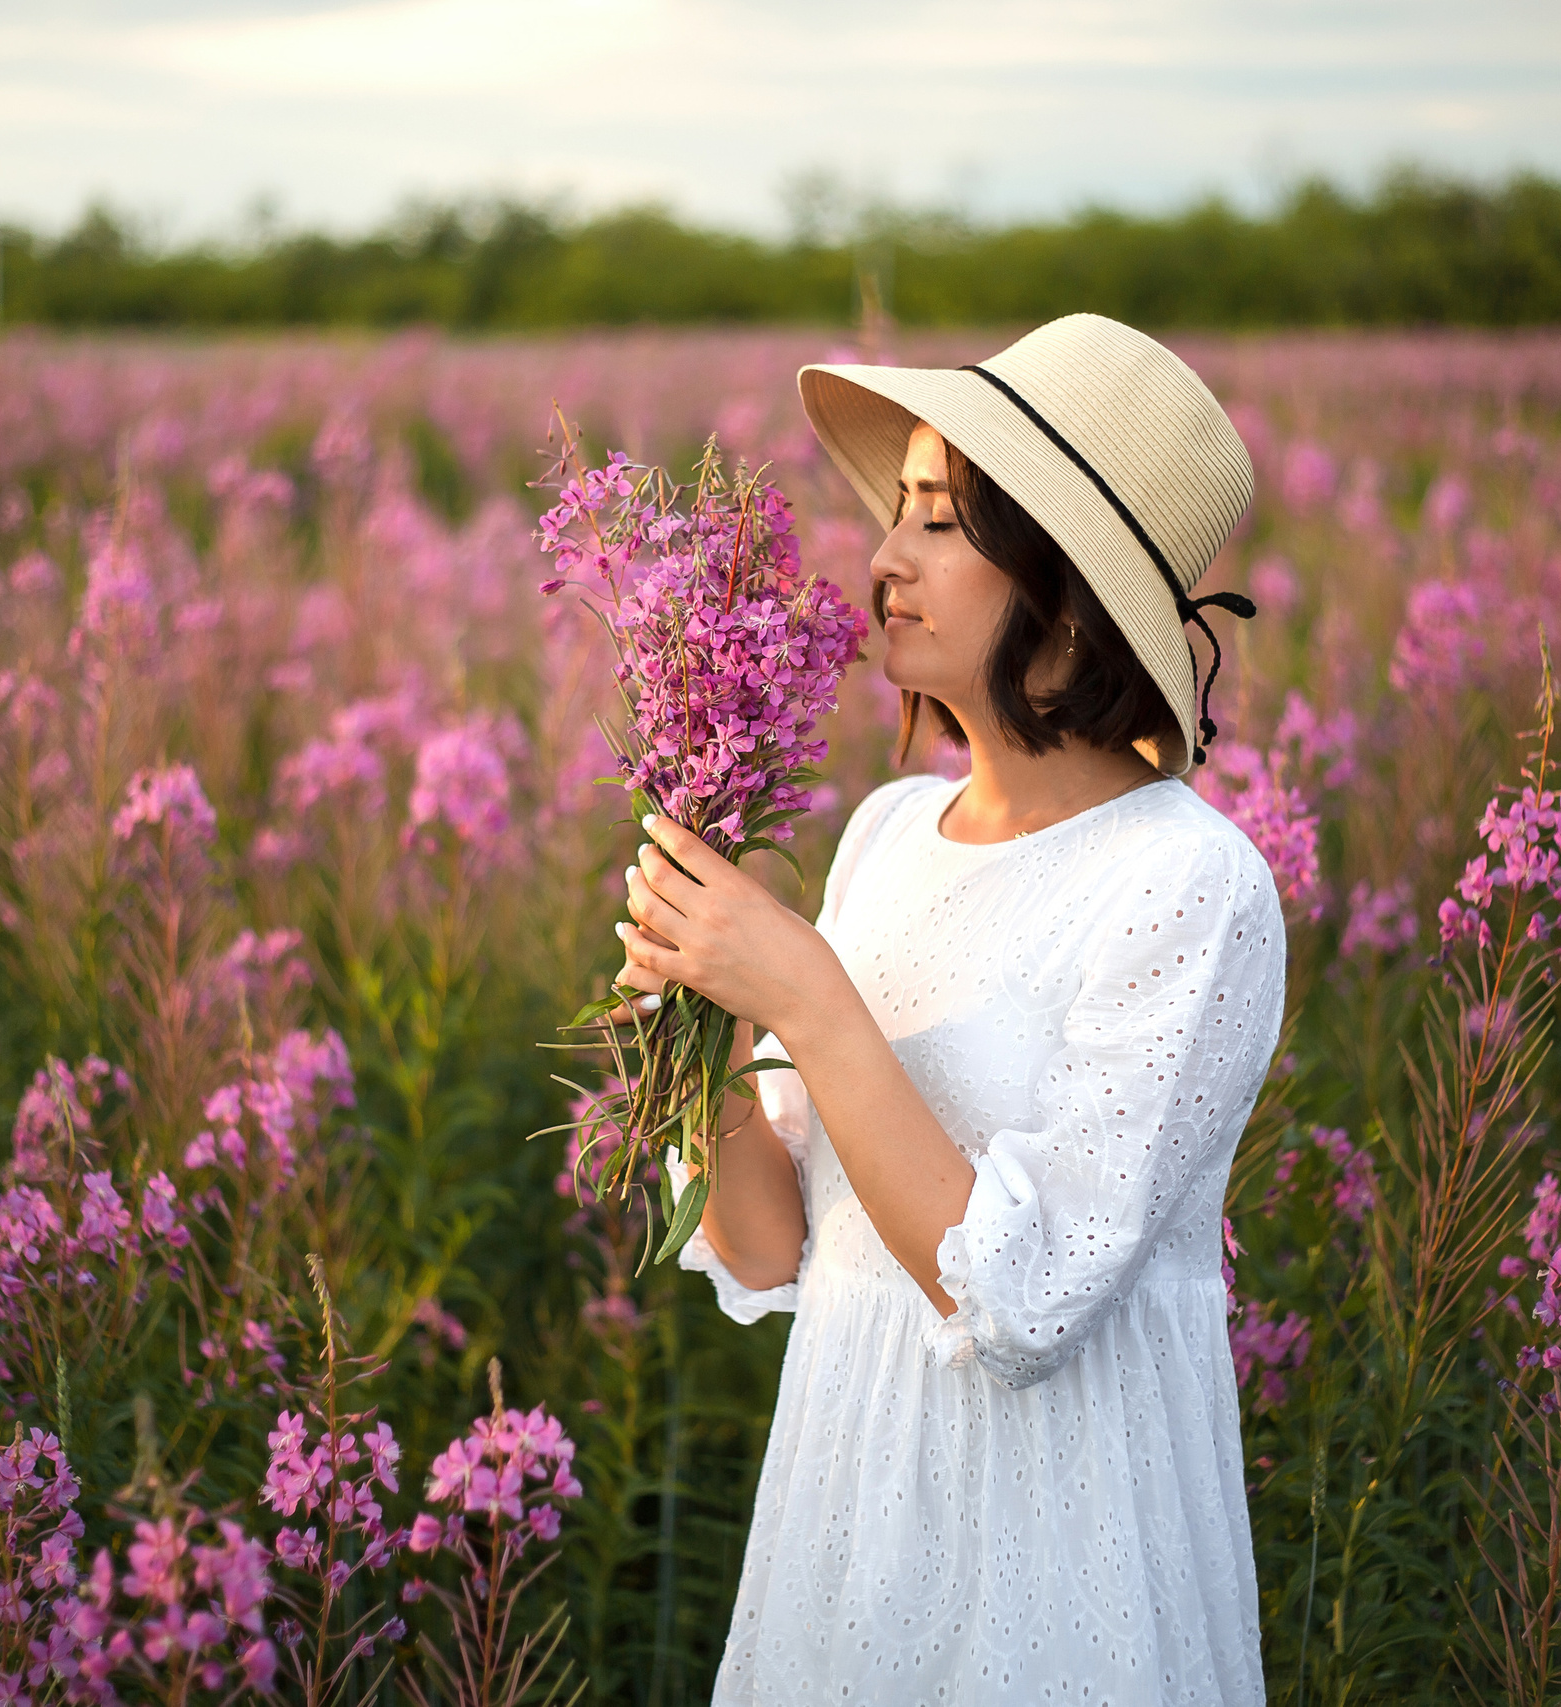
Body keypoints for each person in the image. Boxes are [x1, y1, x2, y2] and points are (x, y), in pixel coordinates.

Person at [610, 313, 1283, 1704]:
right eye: (896, 512)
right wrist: (708, 1025)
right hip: (848, 1523)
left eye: (941, 521)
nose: (884, 557)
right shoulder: (885, 834)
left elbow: (1026, 1300)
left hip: (1057, 1555)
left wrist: (806, 989)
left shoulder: (1189, 886)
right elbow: (773, 1243)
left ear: (1071, 591)